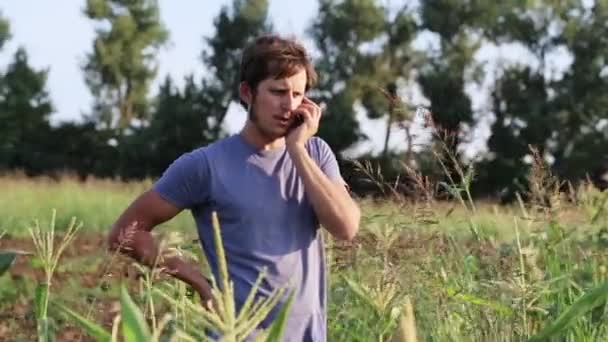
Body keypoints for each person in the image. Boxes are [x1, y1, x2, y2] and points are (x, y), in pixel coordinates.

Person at [107, 34, 360, 341]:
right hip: (237, 334)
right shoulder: (204, 165)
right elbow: (125, 233)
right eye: (278, 92)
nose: (289, 105)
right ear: (247, 93)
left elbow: (346, 227)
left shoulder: (316, 153)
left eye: (298, 94)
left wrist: (296, 150)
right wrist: (198, 282)